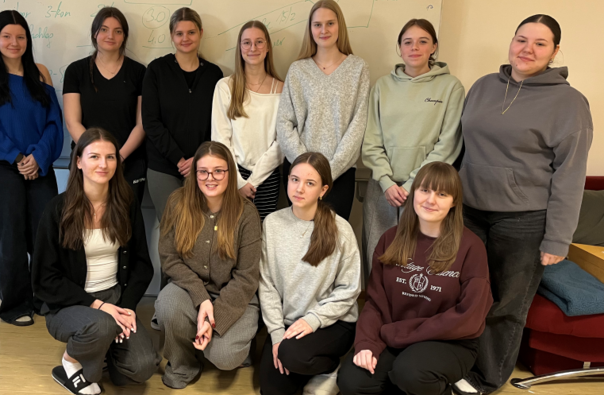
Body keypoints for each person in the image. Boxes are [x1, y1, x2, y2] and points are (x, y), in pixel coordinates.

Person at [452, 15, 593, 395]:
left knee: (506, 304)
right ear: (511, 42)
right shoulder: (483, 86)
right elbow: (460, 148)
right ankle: (455, 362)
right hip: (469, 211)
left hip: (524, 219)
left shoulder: (569, 103)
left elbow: (570, 177)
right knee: (465, 293)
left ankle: (486, 378)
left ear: (555, 51)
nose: (527, 49)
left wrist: (558, 239)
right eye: (521, 39)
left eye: (540, 43)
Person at [339, 162, 493, 395]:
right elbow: (375, 303)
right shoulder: (390, 239)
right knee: (353, 382)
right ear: (414, 193)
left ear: (454, 202)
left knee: (410, 373)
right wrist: (367, 344)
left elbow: (470, 315)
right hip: (395, 336)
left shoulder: (471, 246)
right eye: (425, 190)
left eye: (442, 194)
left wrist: (403, 333)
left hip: (449, 341)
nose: (431, 200)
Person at [32, 128, 159, 395]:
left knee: (142, 367)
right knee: (101, 324)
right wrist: (99, 306)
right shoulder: (57, 209)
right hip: (70, 304)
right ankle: (70, 362)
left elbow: (141, 264)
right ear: (78, 161)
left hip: (115, 297)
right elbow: (44, 278)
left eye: (110, 157)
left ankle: (100, 347)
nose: (103, 164)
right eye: (94, 156)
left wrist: (126, 308)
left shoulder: (126, 204)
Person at [0, 10, 63, 327]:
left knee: (45, 236)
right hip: (1, 168)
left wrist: (37, 157)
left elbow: (54, 123)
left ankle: (43, 297)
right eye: (7, 36)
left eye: (20, 36)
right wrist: (17, 158)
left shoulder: (40, 73)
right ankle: (14, 305)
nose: (14, 42)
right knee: (9, 239)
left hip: (40, 166)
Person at [154, 141, 262, 389]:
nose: (210, 178)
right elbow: (169, 258)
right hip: (189, 289)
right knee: (168, 305)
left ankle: (234, 341)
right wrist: (202, 299)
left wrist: (214, 321)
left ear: (230, 173)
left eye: (218, 171)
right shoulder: (177, 203)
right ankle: (183, 364)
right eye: (203, 171)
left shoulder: (246, 213)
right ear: (194, 174)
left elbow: (246, 277)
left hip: (234, 295)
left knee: (225, 357)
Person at [361, 19, 464, 275]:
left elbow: (448, 143)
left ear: (434, 47)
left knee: (418, 265)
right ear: (399, 48)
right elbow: (371, 140)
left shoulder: (451, 87)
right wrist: (386, 182)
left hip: (426, 191)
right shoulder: (382, 86)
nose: (414, 47)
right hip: (383, 188)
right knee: (379, 258)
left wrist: (413, 185)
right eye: (408, 42)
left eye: (422, 41)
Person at [259, 152, 361, 395]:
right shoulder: (272, 224)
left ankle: (330, 368)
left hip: (332, 322)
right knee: (272, 389)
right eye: (294, 179)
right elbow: (266, 284)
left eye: (310, 183)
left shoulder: (340, 229)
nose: (299, 188)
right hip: (289, 324)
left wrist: (313, 320)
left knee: (291, 356)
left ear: (323, 190)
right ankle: (305, 368)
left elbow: (349, 290)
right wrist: (276, 334)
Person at [277, 0, 370, 220]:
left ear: (340, 26)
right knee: (300, 236)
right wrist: (306, 171)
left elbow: (358, 124)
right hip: (300, 176)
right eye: (317, 24)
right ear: (310, 29)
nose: (324, 30)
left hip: (340, 174)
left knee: (333, 237)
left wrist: (329, 171)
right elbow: (284, 122)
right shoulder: (298, 70)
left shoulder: (358, 68)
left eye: (330, 23)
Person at [142, 7, 224, 222]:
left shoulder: (214, 75)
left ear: (201, 33)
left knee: (202, 228)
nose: (185, 38)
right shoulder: (156, 70)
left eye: (191, 32)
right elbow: (150, 121)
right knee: (171, 229)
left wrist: (198, 159)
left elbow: (218, 124)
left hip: (203, 167)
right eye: (179, 33)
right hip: (163, 167)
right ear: (172, 36)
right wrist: (178, 159)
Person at [63, 7, 147, 201]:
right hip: (87, 162)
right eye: (104, 29)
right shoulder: (76, 71)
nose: (111, 36)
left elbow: (141, 124)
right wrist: (96, 156)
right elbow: (72, 122)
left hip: (128, 161)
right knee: (85, 217)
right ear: (95, 33)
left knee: (125, 217)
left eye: (118, 31)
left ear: (124, 36)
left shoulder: (139, 72)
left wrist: (117, 157)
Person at [212, 21, 284, 221]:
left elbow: (281, 142)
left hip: (267, 176)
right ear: (240, 47)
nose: (253, 48)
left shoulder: (281, 89)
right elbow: (220, 138)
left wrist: (254, 180)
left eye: (259, 42)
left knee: (262, 233)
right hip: (232, 174)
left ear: (267, 47)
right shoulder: (225, 87)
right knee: (231, 233)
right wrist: (239, 182)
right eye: (247, 43)